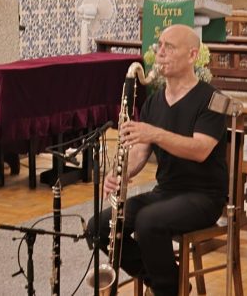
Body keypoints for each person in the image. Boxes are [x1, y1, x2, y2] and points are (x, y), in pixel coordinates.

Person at [87, 24, 228, 296]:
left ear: (192, 55)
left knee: (149, 221)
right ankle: (169, 284)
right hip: (166, 193)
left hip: (205, 196)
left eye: (169, 47)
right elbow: (141, 152)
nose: (160, 53)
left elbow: (200, 150)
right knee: (99, 227)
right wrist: (120, 174)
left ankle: (167, 288)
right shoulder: (153, 102)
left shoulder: (213, 99)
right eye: (159, 46)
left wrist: (156, 133)